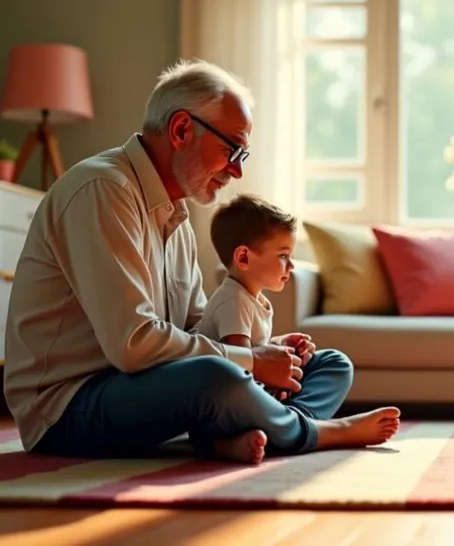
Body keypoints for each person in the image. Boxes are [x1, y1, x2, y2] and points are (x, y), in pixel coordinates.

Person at [3, 59, 399, 465]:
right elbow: (132, 345)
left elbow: (195, 325)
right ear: (181, 130)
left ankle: (267, 428)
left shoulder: (176, 215)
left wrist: (263, 349)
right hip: (68, 409)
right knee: (218, 378)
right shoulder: (103, 191)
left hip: (142, 385)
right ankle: (307, 431)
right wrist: (252, 363)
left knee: (329, 364)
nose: (237, 170)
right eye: (232, 149)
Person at [197, 193, 311, 403]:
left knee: (333, 362)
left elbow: (256, 353)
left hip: (251, 390)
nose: (292, 266)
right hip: (227, 399)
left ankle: (288, 419)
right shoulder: (234, 301)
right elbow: (242, 368)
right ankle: (290, 419)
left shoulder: (254, 299)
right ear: (243, 258)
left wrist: (281, 344)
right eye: (283, 256)